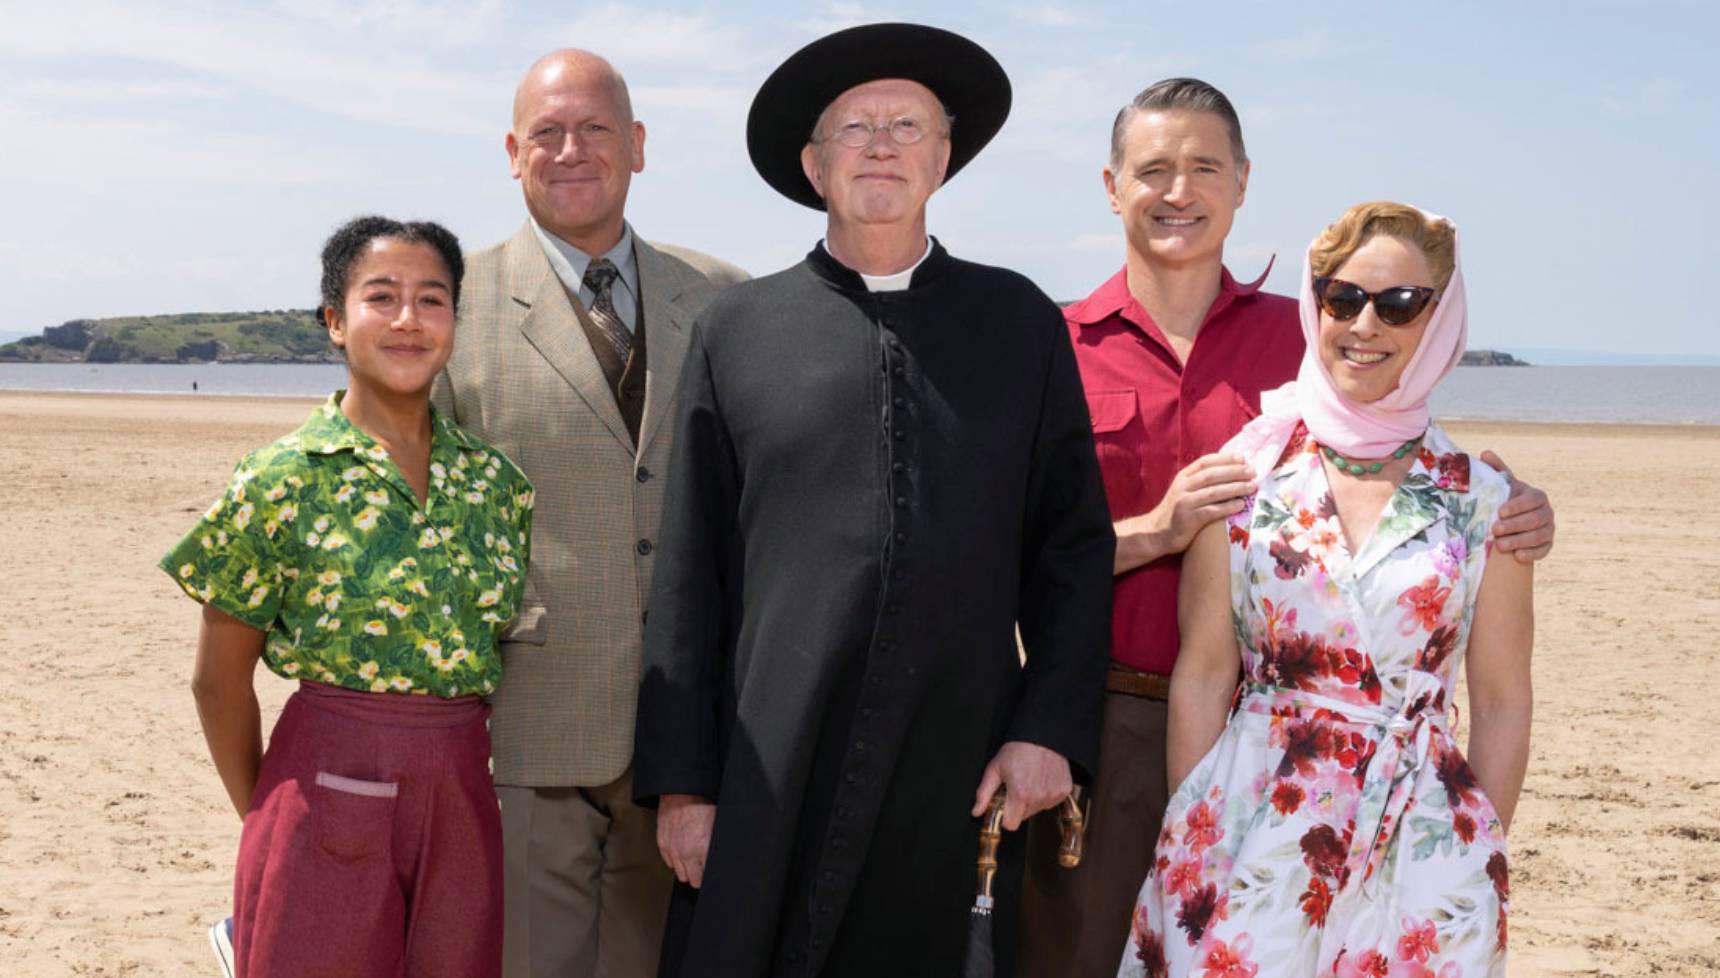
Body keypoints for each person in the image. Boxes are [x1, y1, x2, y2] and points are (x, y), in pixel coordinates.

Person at [1020, 79, 1556, 977]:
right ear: (1111, 186)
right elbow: (1007, 556)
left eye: (1204, 167)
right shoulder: (1053, 347)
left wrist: (1515, 508)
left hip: (1284, 747)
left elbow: (1397, 431)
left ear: (1242, 181)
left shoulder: (1308, 342)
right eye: (1153, 169)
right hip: (1098, 721)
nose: (1178, 190)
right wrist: (1155, 530)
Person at [631, 23, 1115, 978]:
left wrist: (1048, 730)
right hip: (771, 752)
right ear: (814, 165)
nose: (883, 143)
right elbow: (688, 571)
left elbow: (1070, 548)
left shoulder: (1018, 321)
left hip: (958, 759)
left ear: (943, 158)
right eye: (855, 127)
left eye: (907, 124)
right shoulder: (739, 328)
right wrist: (684, 786)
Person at [1119, 202, 1532, 978]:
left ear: (1440, 320)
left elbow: (1504, 700)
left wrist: (1476, 845)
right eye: (1342, 299)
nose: (1364, 326)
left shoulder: (1487, 502)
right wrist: (1193, 833)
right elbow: (1205, 674)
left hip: (1424, 845)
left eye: (1400, 304)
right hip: (1248, 830)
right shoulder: (1245, 472)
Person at [431, 49, 745, 978]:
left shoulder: (729, 300)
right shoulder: (451, 302)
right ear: (512, 151)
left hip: (691, 730)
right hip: (528, 723)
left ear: (638, 145)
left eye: (596, 128)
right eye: (547, 133)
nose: (572, 150)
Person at [162, 215, 534, 978]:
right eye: (382, 297)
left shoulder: (498, 486)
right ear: (335, 321)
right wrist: (273, 819)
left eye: (432, 300)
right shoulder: (279, 479)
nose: (408, 319)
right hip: (321, 784)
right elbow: (218, 681)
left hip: (463, 795)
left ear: (456, 322)